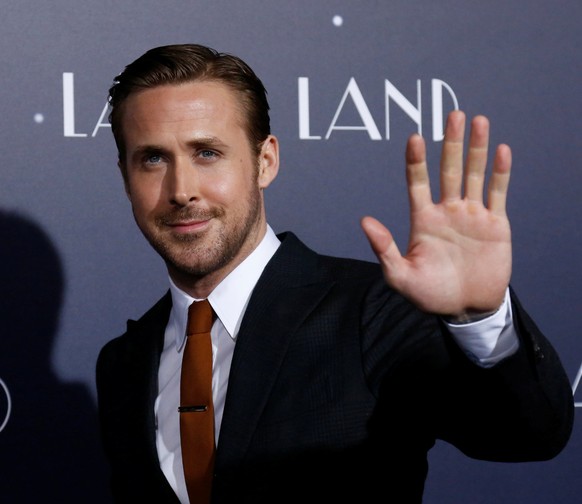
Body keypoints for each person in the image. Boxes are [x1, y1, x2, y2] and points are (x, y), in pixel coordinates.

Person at [96, 44, 574, 504]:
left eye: (207, 153)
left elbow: (527, 433)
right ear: (125, 177)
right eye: (153, 159)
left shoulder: (370, 311)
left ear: (265, 161)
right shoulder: (123, 363)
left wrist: (480, 317)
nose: (182, 190)